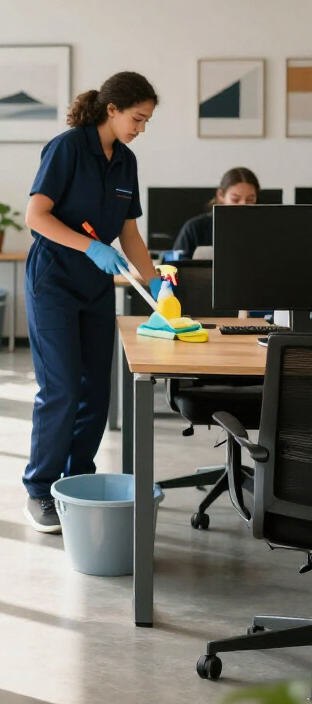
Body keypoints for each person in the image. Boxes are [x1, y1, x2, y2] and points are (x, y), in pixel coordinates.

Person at [22, 72, 163, 533]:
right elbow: (36, 217)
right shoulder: (67, 148)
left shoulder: (126, 162)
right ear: (112, 110)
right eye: (137, 119)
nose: (140, 129)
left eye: (146, 122)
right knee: (61, 388)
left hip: (96, 287)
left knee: (96, 391)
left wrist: (158, 284)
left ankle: (77, 476)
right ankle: (39, 490)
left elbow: (129, 234)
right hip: (54, 282)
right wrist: (91, 247)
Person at [172, 167, 260, 259]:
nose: (243, 205)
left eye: (250, 200)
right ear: (221, 195)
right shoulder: (194, 228)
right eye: (235, 199)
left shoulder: (263, 229)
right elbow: (174, 268)